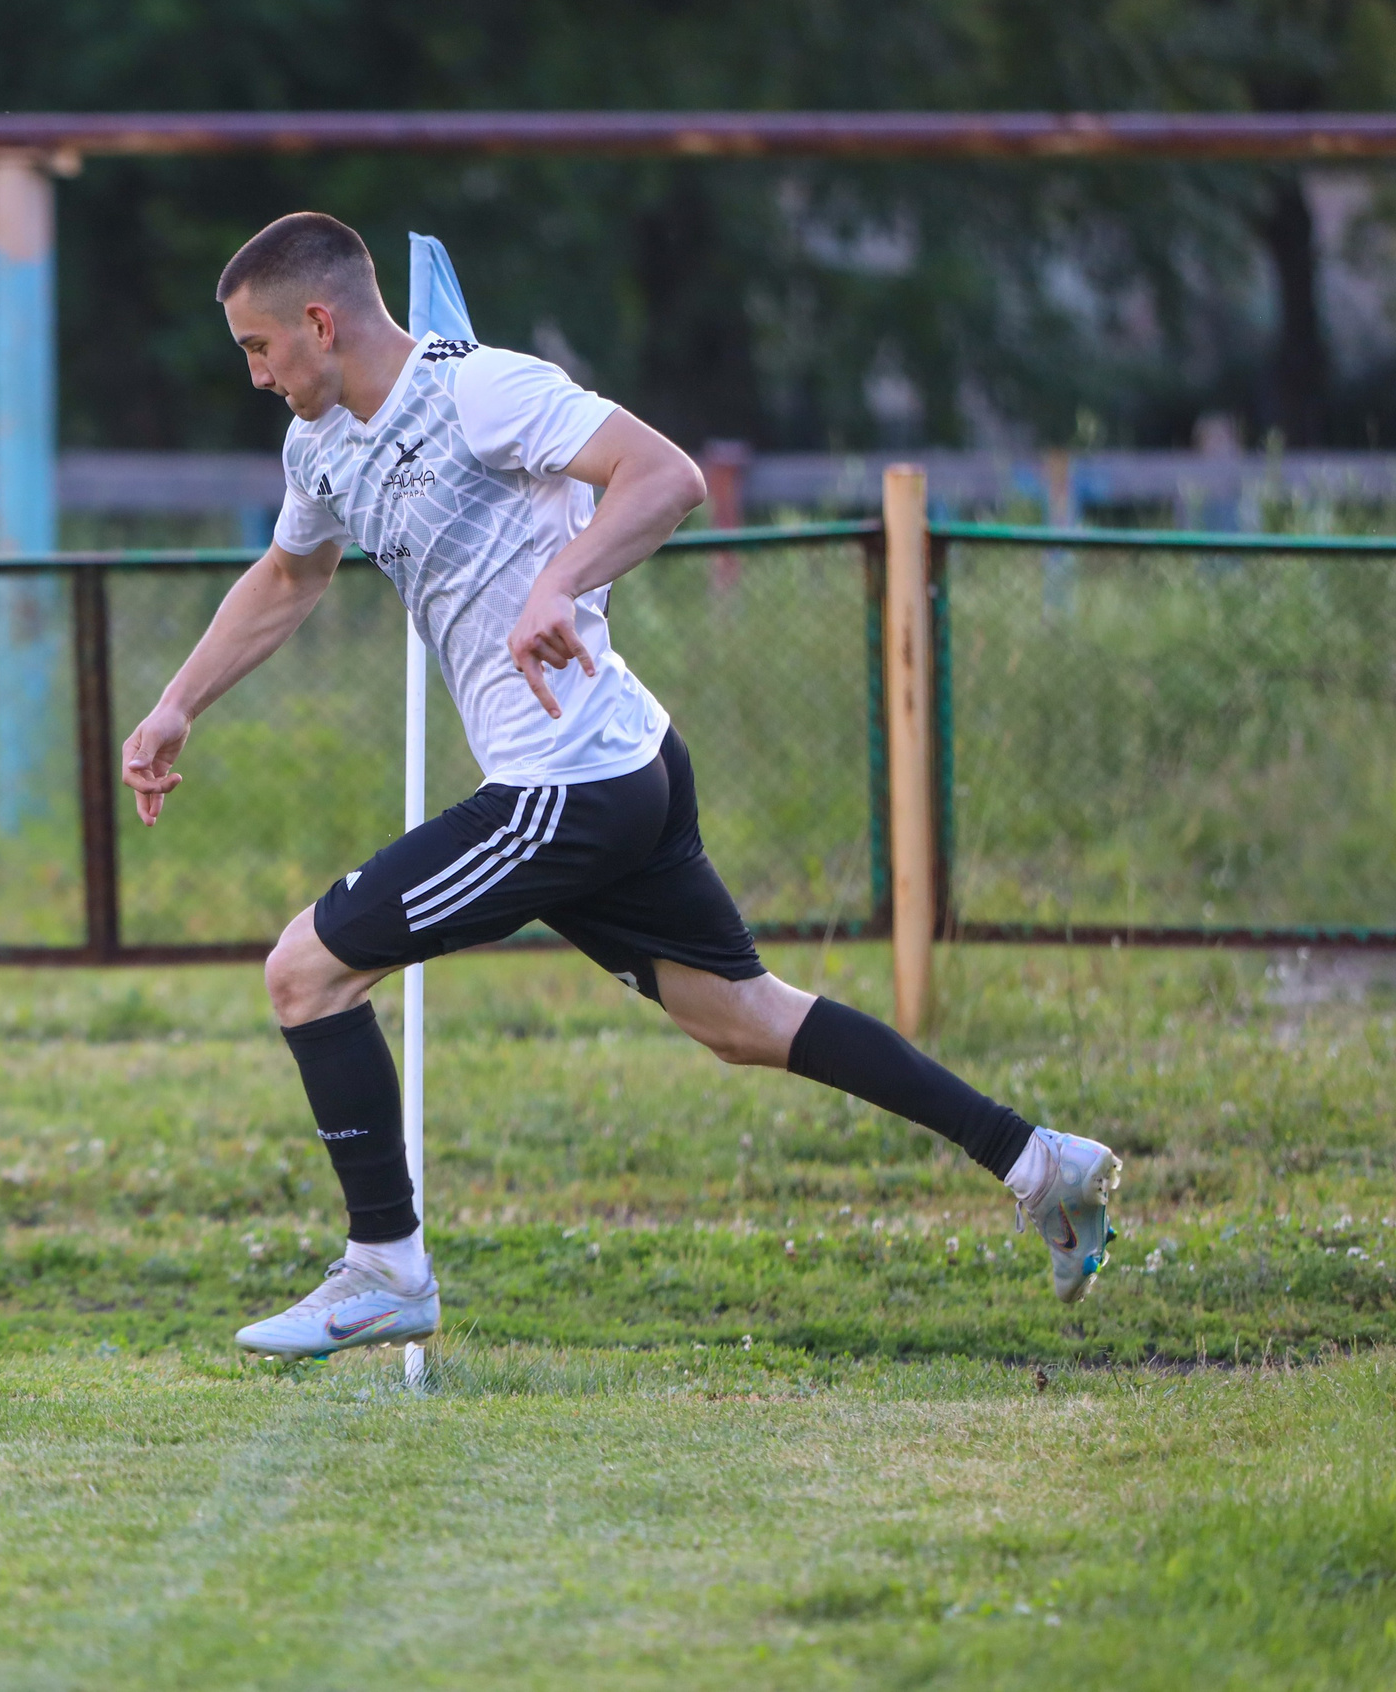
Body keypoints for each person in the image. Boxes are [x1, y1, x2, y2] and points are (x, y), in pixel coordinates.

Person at [120, 212, 1122, 1358]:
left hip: (569, 788)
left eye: (257, 348)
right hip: (618, 763)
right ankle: (1039, 1159)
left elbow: (665, 476)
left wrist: (562, 580)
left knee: (305, 971)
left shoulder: (482, 390)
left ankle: (385, 1268)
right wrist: (177, 702)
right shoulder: (322, 447)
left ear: (318, 320)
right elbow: (289, 576)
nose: (252, 376)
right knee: (740, 1018)